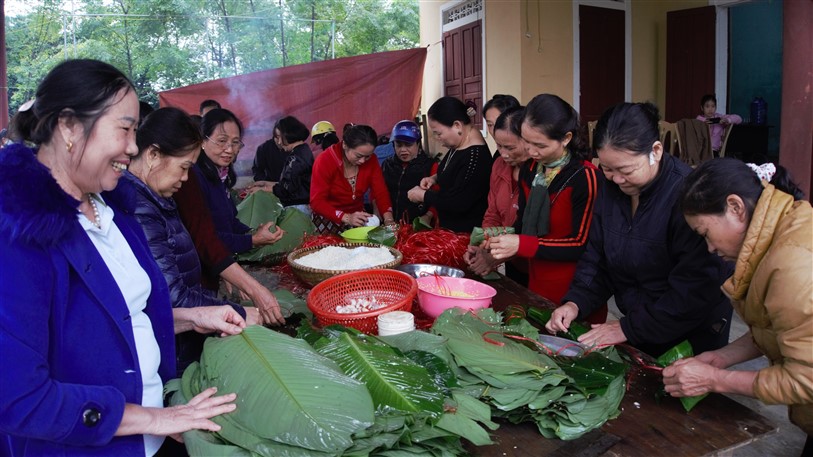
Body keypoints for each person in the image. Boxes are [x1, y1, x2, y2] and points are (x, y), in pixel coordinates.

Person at [0, 59, 240, 456]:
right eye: (125, 129)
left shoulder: (113, 210)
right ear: (69, 127)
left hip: (155, 436)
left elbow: (119, 317)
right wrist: (152, 418)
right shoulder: (19, 235)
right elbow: (19, 398)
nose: (133, 146)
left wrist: (191, 317)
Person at [545, 102, 734, 357]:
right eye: (607, 168)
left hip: (688, 335)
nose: (615, 178)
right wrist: (575, 302)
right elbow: (597, 256)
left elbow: (694, 289)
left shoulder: (687, 196)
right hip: (639, 325)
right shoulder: (610, 189)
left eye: (625, 170)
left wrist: (627, 328)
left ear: (655, 151)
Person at [663, 159, 811, 453]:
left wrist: (716, 380)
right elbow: (779, 328)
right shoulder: (782, 229)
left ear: (735, 208)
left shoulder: (793, 267)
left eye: (705, 233)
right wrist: (720, 358)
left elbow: (807, 378)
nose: (710, 249)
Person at [122, 107, 266, 376]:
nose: (186, 178)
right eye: (184, 167)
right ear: (153, 154)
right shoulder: (141, 209)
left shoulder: (158, 199)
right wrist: (235, 311)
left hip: (185, 334)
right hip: (171, 349)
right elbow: (172, 296)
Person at [487, 96, 604, 321]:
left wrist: (522, 243)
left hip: (574, 294)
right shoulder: (532, 169)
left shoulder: (585, 177)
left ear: (566, 138)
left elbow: (580, 244)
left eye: (540, 145)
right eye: (527, 142)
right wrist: (496, 240)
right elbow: (522, 221)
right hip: (537, 282)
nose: (531, 151)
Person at [175, 108, 284, 256]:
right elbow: (205, 238)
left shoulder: (220, 176)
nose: (230, 149)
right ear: (203, 140)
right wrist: (252, 240)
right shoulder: (192, 178)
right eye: (222, 141)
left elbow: (229, 222)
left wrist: (251, 232)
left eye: (235, 142)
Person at [407, 96, 492, 233]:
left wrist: (423, 195)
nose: (437, 138)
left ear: (457, 125)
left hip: (465, 235)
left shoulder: (475, 158)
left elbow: (458, 202)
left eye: (438, 133)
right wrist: (434, 178)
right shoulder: (459, 144)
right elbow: (454, 171)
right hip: (450, 230)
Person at [466, 106, 530, 285]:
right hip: (512, 263)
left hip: (538, 263)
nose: (503, 154)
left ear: (529, 142)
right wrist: (484, 247)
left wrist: (495, 256)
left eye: (510, 147)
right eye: (499, 145)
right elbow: (492, 213)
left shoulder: (539, 176)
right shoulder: (499, 166)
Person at [310, 123, 395, 233]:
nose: (363, 161)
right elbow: (317, 201)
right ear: (345, 145)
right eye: (358, 156)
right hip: (328, 218)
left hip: (357, 217)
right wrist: (347, 218)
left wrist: (389, 220)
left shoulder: (372, 160)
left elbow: (380, 192)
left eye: (368, 156)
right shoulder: (325, 160)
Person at [249, 116, 314, 215]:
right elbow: (290, 184)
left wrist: (262, 189)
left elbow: (286, 190)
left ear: (289, 134)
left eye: (280, 137)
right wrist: (264, 183)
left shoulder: (296, 158)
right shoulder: (303, 151)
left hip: (296, 209)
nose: (279, 142)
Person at [380, 120, 437, 223]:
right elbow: (380, 193)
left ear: (418, 143)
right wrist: (387, 218)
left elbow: (438, 196)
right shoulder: (387, 165)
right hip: (392, 223)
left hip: (420, 225)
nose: (403, 150)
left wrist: (428, 216)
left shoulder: (430, 165)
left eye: (408, 145)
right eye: (399, 145)